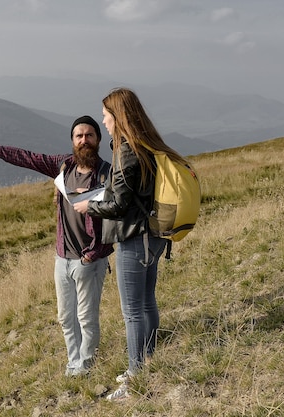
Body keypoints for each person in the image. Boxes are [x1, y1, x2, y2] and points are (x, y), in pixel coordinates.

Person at [0, 116, 114, 377]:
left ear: (98, 139)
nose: (84, 140)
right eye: (79, 136)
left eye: (89, 135)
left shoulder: (107, 174)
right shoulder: (63, 166)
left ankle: (86, 365)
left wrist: (92, 255)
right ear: (72, 141)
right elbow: (24, 157)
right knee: (65, 317)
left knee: (86, 318)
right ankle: (73, 364)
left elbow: (115, 219)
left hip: (90, 261)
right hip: (62, 258)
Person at [74, 88, 192, 402]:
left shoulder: (127, 149)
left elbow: (119, 203)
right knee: (147, 302)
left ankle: (136, 378)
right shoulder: (143, 146)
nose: (104, 121)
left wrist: (90, 207)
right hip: (150, 236)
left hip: (132, 238)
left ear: (118, 116)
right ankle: (147, 362)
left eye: (106, 116)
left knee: (133, 313)